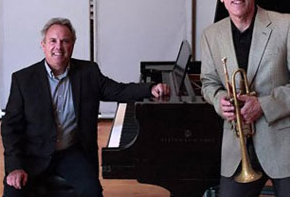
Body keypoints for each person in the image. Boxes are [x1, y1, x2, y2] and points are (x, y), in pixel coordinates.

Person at [1, 17, 170, 197]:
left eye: (65, 41)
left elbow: (119, 90)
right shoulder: (23, 79)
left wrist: (150, 88)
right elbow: (10, 127)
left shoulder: (88, 72)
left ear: (72, 45)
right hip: (32, 155)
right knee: (14, 193)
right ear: (43, 45)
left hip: (70, 153)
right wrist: (14, 167)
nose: (58, 47)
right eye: (53, 41)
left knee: (92, 191)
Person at [200, 0, 290, 197]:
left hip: (288, 145)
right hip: (238, 149)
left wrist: (263, 105)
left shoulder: (287, 25)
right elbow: (208, 82)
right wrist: (219, 100)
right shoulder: (211, 35)